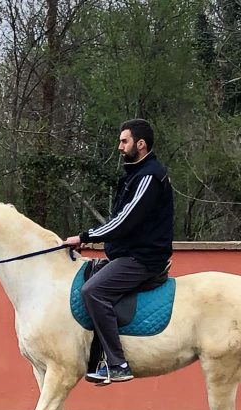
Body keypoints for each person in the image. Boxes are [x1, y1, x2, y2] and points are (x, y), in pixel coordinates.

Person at [64, 119, 174, 385]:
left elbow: (124, 221)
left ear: (141, 144)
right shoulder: (136, 174)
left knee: (93, 291)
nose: (119, 147)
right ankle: (96, 358)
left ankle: (117, 363)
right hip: (129, 254)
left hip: (143, 258)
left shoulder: (148, 176)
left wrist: (85, 237)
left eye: (124, 141)